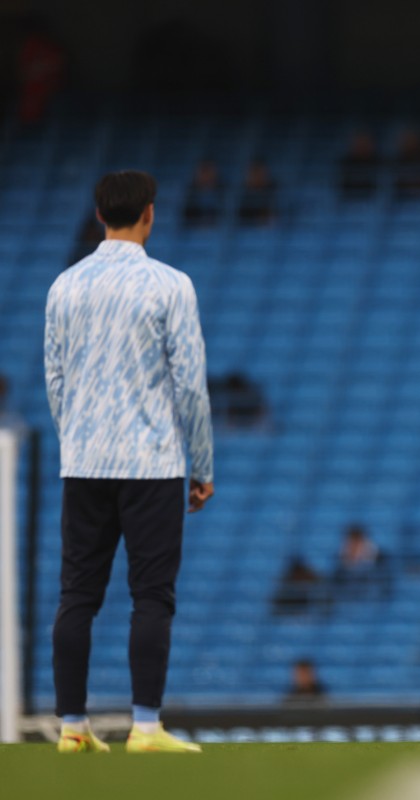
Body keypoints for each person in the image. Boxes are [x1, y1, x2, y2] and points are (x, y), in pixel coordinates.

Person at [45, 170, 214, 754]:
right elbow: (190, 383)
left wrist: (78, 438)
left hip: (84, 461)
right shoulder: (169, 285)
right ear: (148, 214)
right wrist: (203, 464)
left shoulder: (64, 286)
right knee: (152, 595)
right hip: (152, 463)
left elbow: (55, 378)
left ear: (99, 215)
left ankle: (71, 726)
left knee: (77, 596)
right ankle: (145, 726)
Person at [183, 159, 223, 226]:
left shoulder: (223, 192)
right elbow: (186, 217)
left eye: (208, 171)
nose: (206, 176)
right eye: (203, 172)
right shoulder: (190, 194)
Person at [237, 158, 277, 225]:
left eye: (260, 172)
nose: (257, 177)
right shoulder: (242, 194)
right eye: (254, 173)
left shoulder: (274, 190)